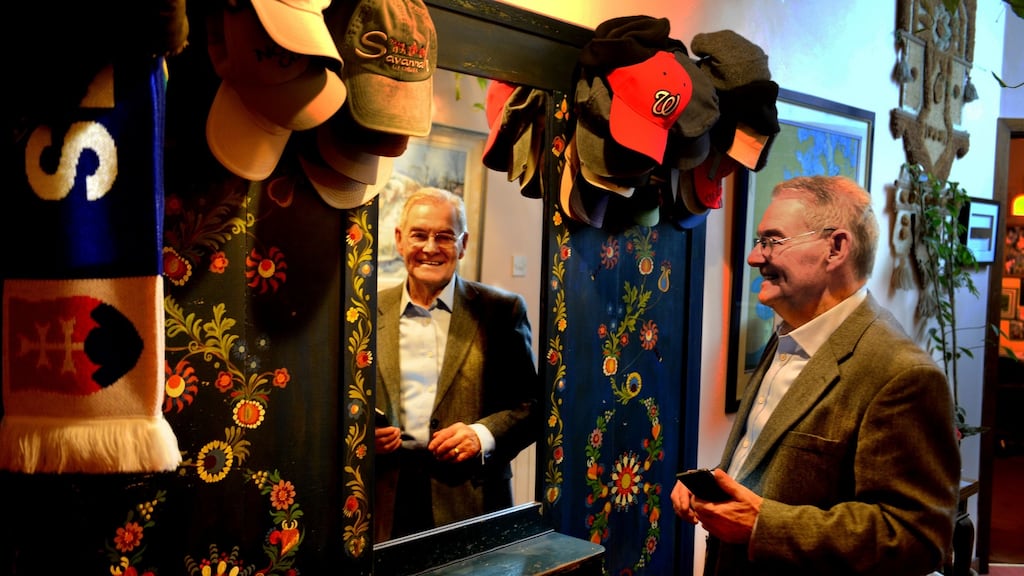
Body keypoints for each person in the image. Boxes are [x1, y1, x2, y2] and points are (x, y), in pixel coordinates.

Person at [672, 176, 961, 575]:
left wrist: (763, 526)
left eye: (772, 240)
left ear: (836, 248)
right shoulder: (789, 334)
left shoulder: (902, 374)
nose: (755, 257)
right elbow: (771, 467)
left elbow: (916, 538)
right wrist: (714, 488)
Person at [373, 187, 542, 541]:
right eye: (419, 235)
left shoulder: (500, 311)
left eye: (445, 236)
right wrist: (359, 437)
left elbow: (532, 408)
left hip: (473, 499)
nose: (431, 248)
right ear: (400, 240)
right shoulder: (366, 310)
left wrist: (481, 435)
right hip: (384, 500)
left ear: (462, 244)